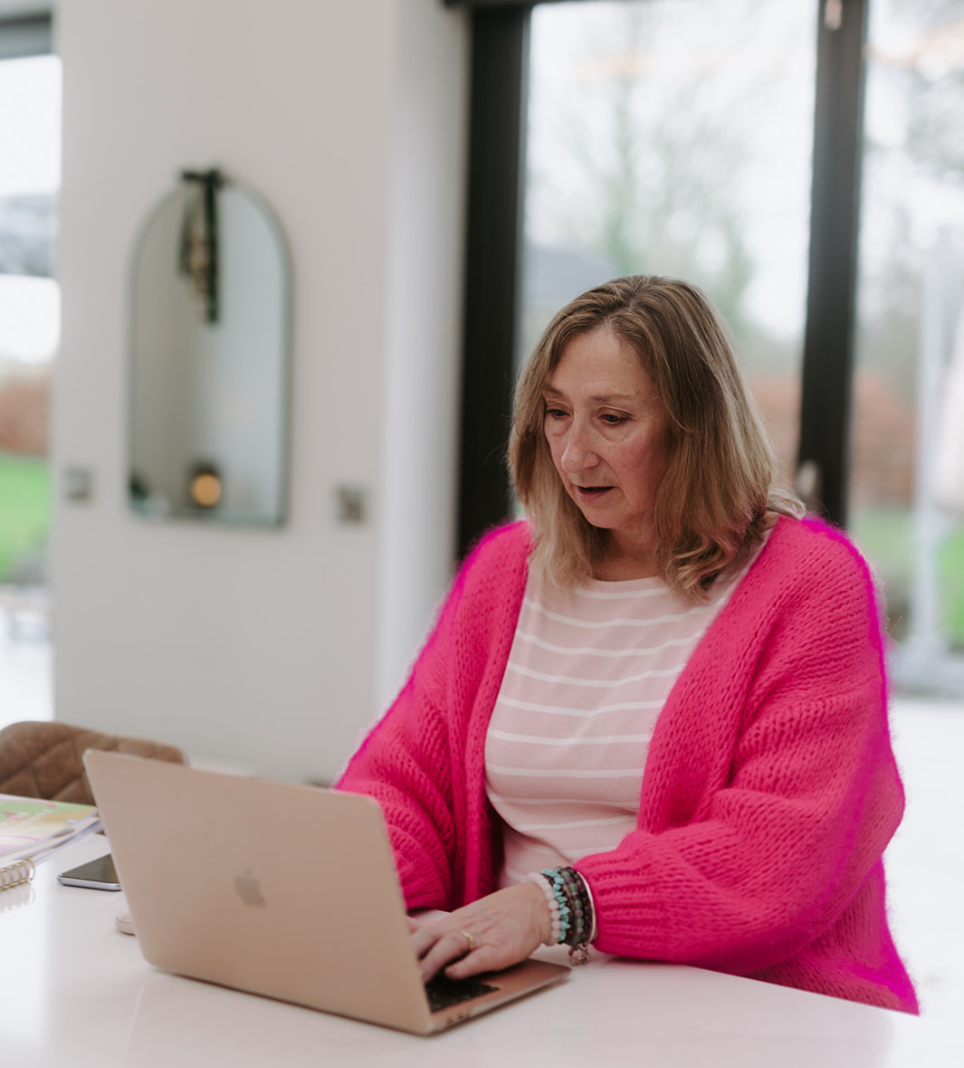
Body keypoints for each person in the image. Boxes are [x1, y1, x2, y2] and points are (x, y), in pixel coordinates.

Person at [336, 275, 918, 1014]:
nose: (573, 455)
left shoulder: (812, 587)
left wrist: (555, 906)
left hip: (739, 1006)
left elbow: (778, 857)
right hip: (524, 992)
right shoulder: (506, 572)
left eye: (612, 419)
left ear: (696, 426)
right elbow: (402, 779)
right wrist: (375, 901)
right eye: (555, 414)